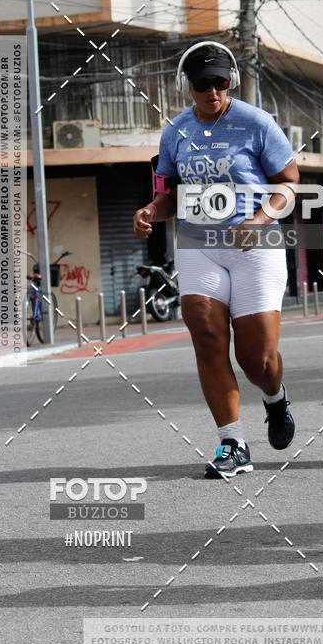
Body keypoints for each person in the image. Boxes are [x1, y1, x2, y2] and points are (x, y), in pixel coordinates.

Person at [133, 41, 299, 478]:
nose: (213, 91)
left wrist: (262, 219)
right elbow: (168, 194)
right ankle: (233, 443)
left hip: (253, 246)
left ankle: (275, 397)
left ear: (232, 82)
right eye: (203, 84)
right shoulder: (175, 132)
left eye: (221, 83)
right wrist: (151, 211)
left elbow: (289, 184)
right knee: (207, 337)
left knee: (257, 358)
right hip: (198, 244)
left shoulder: (256, 123)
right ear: (186, 86)